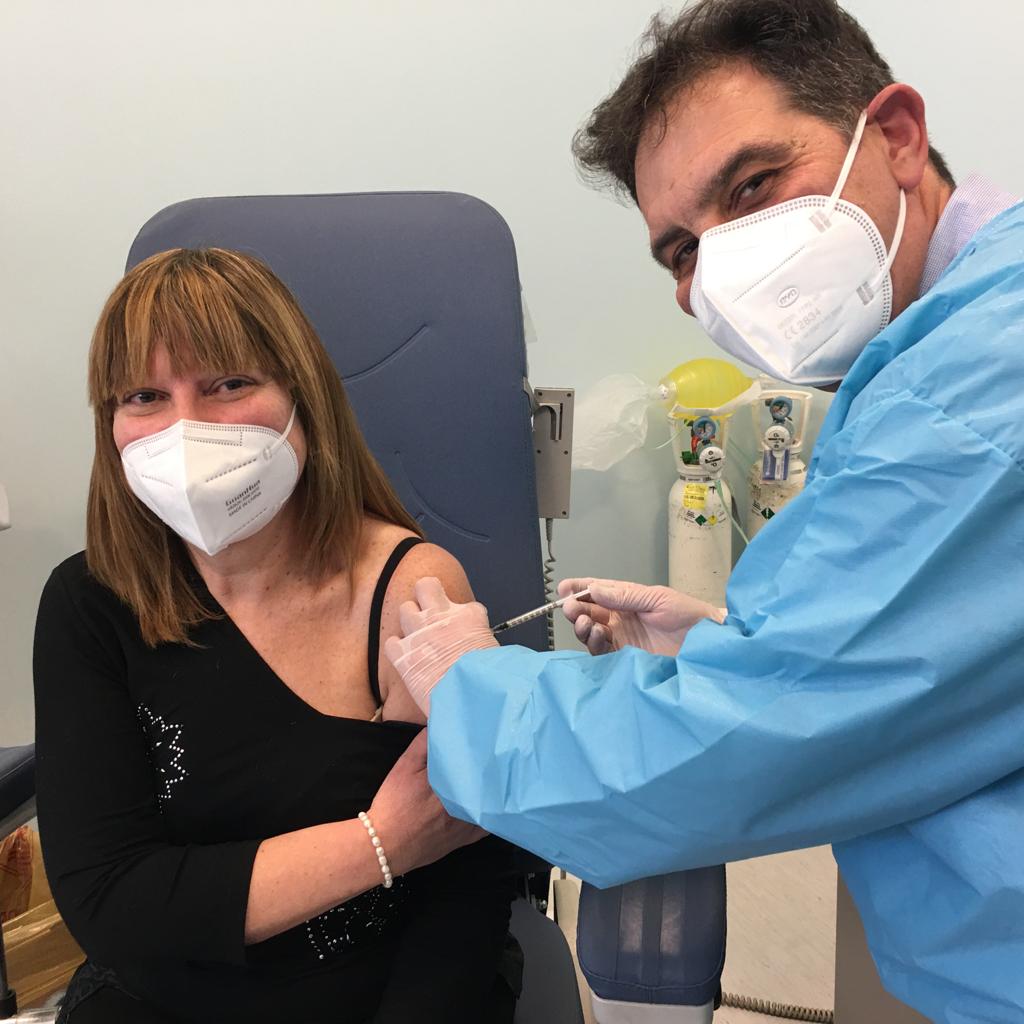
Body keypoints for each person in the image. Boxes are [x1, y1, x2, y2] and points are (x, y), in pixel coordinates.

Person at [382, 2, 1024, 1020]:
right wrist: (738, 639)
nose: (720, 265)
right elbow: (935, 646)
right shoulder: (946, 352)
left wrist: (468, 690)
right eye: (682, 249)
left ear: (897, 137)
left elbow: (734, 749)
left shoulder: (974, 388)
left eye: (754, 185)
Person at [33, 248, 521, 1024]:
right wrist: (383, 841)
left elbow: (463, 884)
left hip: (370, 996)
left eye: (228, 384)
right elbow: (111, 905)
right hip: (157, 997)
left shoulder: (408, 591)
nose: (187, 429)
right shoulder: (90, 603)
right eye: (146, 396)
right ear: (111, 425)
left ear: (302, 398)